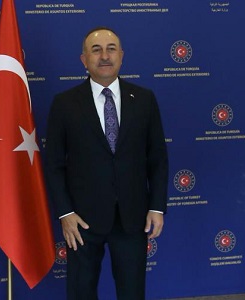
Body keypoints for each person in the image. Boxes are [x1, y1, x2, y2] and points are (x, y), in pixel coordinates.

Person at [45, 27, 169, 299]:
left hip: (132, 218)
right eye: (96, 50)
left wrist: (157, 207)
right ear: (83, 59)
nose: (104, 56)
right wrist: (65, 214)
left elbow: (158, 158)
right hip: (82, 222)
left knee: (132, 291)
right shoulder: (64, 104)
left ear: (121, 56)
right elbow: (53, 165)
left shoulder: (144, 99)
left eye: (111, 48)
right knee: (81, 292)